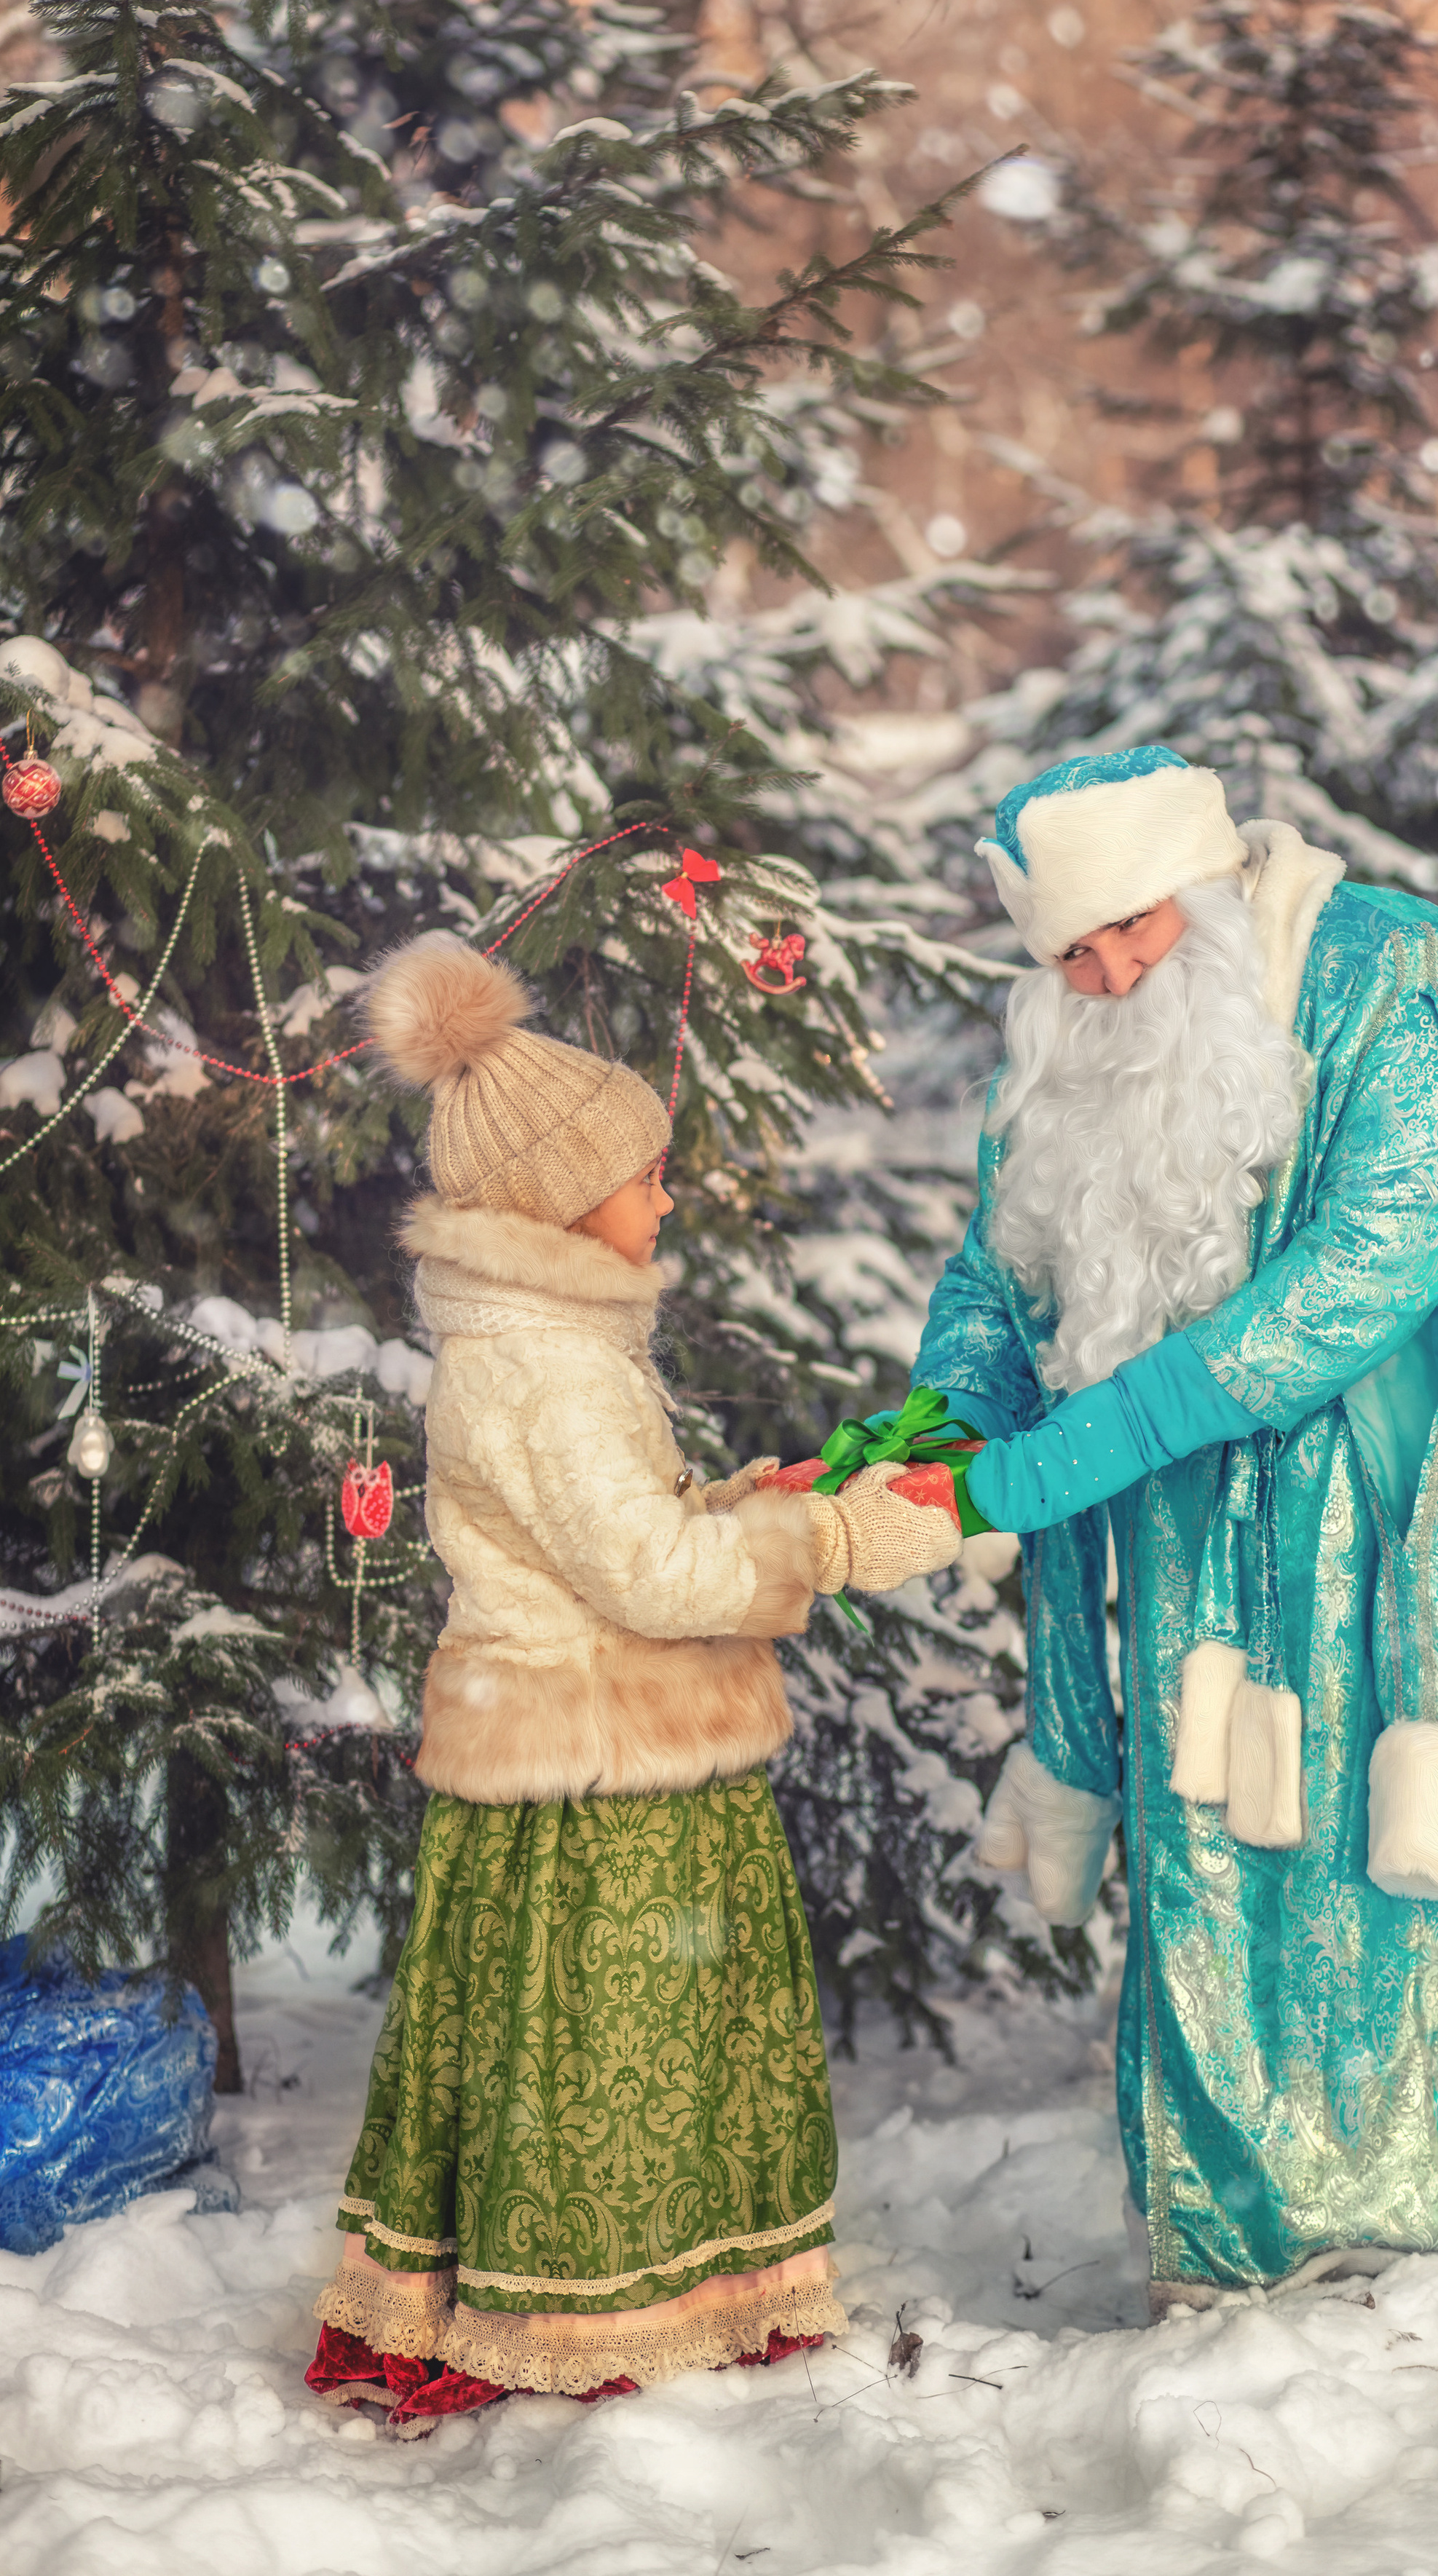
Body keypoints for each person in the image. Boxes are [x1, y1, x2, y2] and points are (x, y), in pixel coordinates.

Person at [911, 743, 1438, 2307]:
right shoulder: (1065, 1049)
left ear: (1201, 887)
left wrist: (1080, 1450)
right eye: (1068, 951)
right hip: (1200, 1541)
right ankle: (1264, 2197)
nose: (1104, 972)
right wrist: (954, 1416)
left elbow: (1369, 1267)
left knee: (1415, 1868)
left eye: (1131, 930)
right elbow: (1003, 1266)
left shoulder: (1397, 976)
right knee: (1243, 1863)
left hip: (1406, 1513)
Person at [306, 933, 958, 2431]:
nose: (666, 1195)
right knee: (612, 2041)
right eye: (646, 1171)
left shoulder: (543, 1343)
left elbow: (621, 1535)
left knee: (608, 2039)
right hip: (603, 1765)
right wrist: (837, 1538)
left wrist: (742, 1501)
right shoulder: (549, 1364)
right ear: (554, 1192)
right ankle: (599, 2300)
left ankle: (640, 2280)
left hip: (586, 1734)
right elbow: (646, 1580)